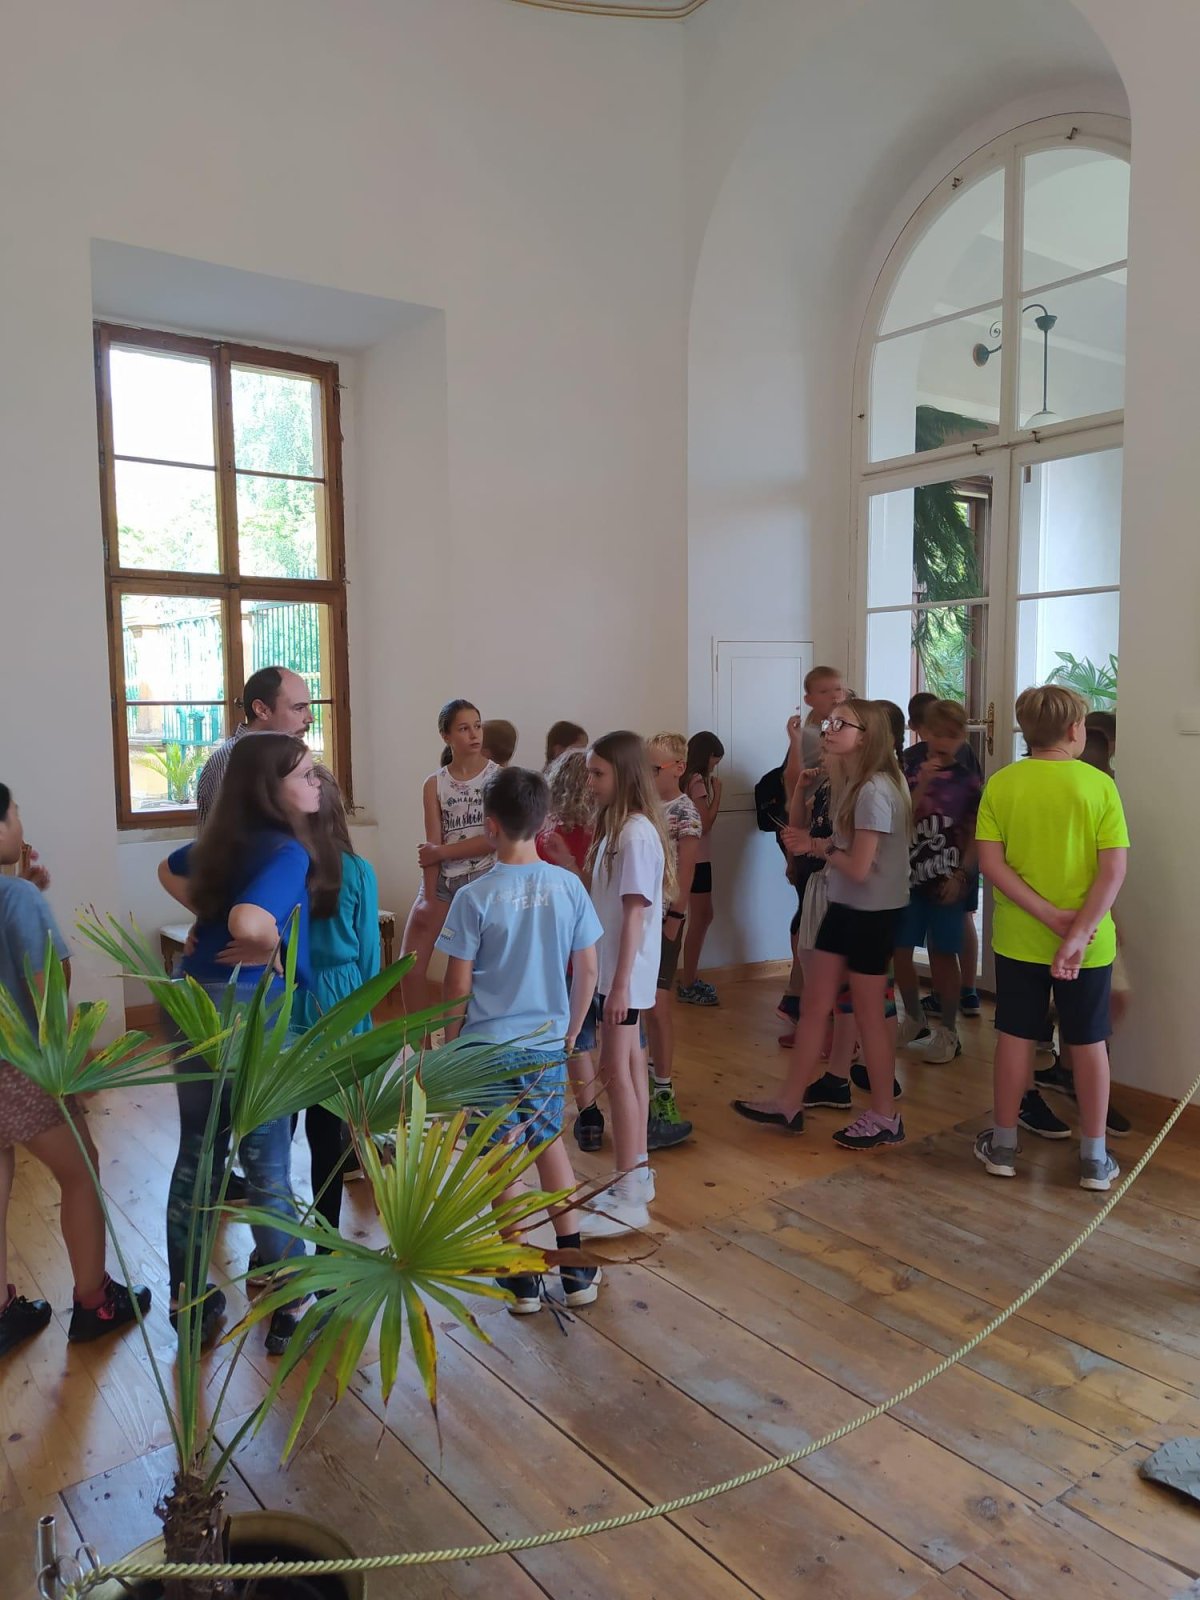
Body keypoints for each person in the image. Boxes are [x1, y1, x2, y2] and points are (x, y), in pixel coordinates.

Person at [157, 732, 319, 1352]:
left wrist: (205, 919)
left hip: (192, 997)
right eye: (305, 775)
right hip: (248, 1008)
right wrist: (273, 944)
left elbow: (168, 869)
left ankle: (189, 1303)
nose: (316, 784)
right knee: (267, 1159)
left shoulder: (224, 839)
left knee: (198, 1153)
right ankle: (291, 1304)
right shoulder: (286, 851)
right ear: (270, 789)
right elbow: (249, 920)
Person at [438, 767, 603, 1314]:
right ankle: (575, 1267)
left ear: (489, 825)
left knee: (497, 1156)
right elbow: (588, 970)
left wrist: (452, 1044)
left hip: (485, 1050)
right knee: (548, 1144)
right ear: (544, 821)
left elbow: (457, 985)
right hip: (545, 1045)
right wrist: (572, 1030)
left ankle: (520, 1276)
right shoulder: (568, 886)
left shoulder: (473, 897)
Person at [0, 784, 151, 1357]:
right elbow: (47, 990)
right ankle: (94, 1300)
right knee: (81, 1169)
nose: (20, 824)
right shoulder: (18, 899)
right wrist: (73, 1064)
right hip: (22, 1065)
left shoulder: (18, 893)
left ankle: (2, 1312)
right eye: (15, 814)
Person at [733, 700, 911, 1150]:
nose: (828, 730)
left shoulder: (875, 790)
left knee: (868, 1015)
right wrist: (816, 840)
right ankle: (789, 1102)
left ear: (866, 736)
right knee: (815, 1005)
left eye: (839, 724)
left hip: (871, 913)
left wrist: (815, 846)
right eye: (829, 722)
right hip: (845, 906)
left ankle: (885, 1116)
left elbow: (859, 867)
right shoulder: (853, 784)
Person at [973, 686, 1129, 1192]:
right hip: (1089, 943)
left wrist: (1048, 917)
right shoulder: (1098, 785)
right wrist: (1077, 932)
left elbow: (991, 864)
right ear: (1075, 729)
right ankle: (1094, 1158)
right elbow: (1113, 871)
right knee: (1088, 1041)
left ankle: (1002, 1146)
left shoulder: (1002, 783)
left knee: (1016, 1036)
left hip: (1020, 938)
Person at [579, 731, 673, 1237]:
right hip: (616, 971)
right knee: (630, 1068)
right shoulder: (618, 830)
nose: (590, 782)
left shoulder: (635, 835)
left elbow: (635, 913)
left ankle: (629, 1192)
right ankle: (636, 1173)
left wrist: (618, 986)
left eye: (598, 774)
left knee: (616, 1073)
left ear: (624, 774)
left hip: (624, 975)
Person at [1034, 711, 1133, 1139]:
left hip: (1091, 920)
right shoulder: (1083, 786)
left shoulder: (1104, 788)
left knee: (1109, 1002)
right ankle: (1077, 1086)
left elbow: (1108, 869)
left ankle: (1067, 1070)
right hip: (1073, 921)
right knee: (1093, 1011)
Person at [291, 767, 380, 1233]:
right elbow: (370, 955)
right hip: (342, 998)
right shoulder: (359, 871)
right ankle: (327, 1241)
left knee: (277, 1125)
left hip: (288, 996)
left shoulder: (284, 868)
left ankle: (271, 1243)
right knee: (327, 1130)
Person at [893, 700, 982, 1064]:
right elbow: (900, 818)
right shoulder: (907, 771)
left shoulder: (968, 781)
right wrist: (924, 783)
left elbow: (977, 833)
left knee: (944, 953)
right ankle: (914, 1018)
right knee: (899, 950)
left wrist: (963, 875)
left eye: (954, 735)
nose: (945, 741)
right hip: (907, 879)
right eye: (938, 734)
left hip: (948, 881)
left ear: (962, 737)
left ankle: (948, 1030)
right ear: (924, 732)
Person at [399, 700, 497, 1015]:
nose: (474, 734)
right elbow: (432, 843)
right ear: (446, 736)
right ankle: (419, 1042)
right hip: (443, 880)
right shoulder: (435, 784)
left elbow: (493, 839)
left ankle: (459, 1038)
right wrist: (429, 896)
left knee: (467, 973)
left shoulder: (497, 777)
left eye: (477, 726)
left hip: (483, 881)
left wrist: (442, 852)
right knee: (409, 967)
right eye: (464, 728)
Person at [536, 749, 603, 1149]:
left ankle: (550, 1110)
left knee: (558, 1038)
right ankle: (589, 1115)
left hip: (550, 955)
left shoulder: (544, 837)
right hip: (585, 952)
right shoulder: (600, 834)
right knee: (580, 1039)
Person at [778, 666, 847, 1035]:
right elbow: (793, 784)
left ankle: (804, 998)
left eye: (839, 688)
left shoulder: (844, 734)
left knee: (817, 919)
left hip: (828, 838)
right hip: (810, 833)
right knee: (808, 915)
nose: (835, 695)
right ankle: (801, 998)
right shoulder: (808, 736)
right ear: (809, 699)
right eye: (826, 691)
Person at [644, 733, 702, 1149]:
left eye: (655, 769)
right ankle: (641, 1083)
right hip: (640, 916)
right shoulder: (643, 807)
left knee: (658, 1004)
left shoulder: (685, 811)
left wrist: (676, 917)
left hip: (665, 918)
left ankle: (663, 1090)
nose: (648, 776)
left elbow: (687, 871)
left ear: (678, 768)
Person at [196, 666, 314, 825]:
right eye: (299, 708)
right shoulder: (232, 762)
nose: (310, 718)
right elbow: (237, 836)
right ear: (261, 710)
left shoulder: (282, 758)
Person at [676, 731, 724, 1006]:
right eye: (715, 761)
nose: (714, 767)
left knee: (702, 916)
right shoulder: (696, 782)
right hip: (698, 860)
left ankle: (688, 978)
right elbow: (704, 824)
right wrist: (717, 796)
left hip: (693, 859)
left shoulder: (685, 779)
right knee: (700, 918)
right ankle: (688, 982)